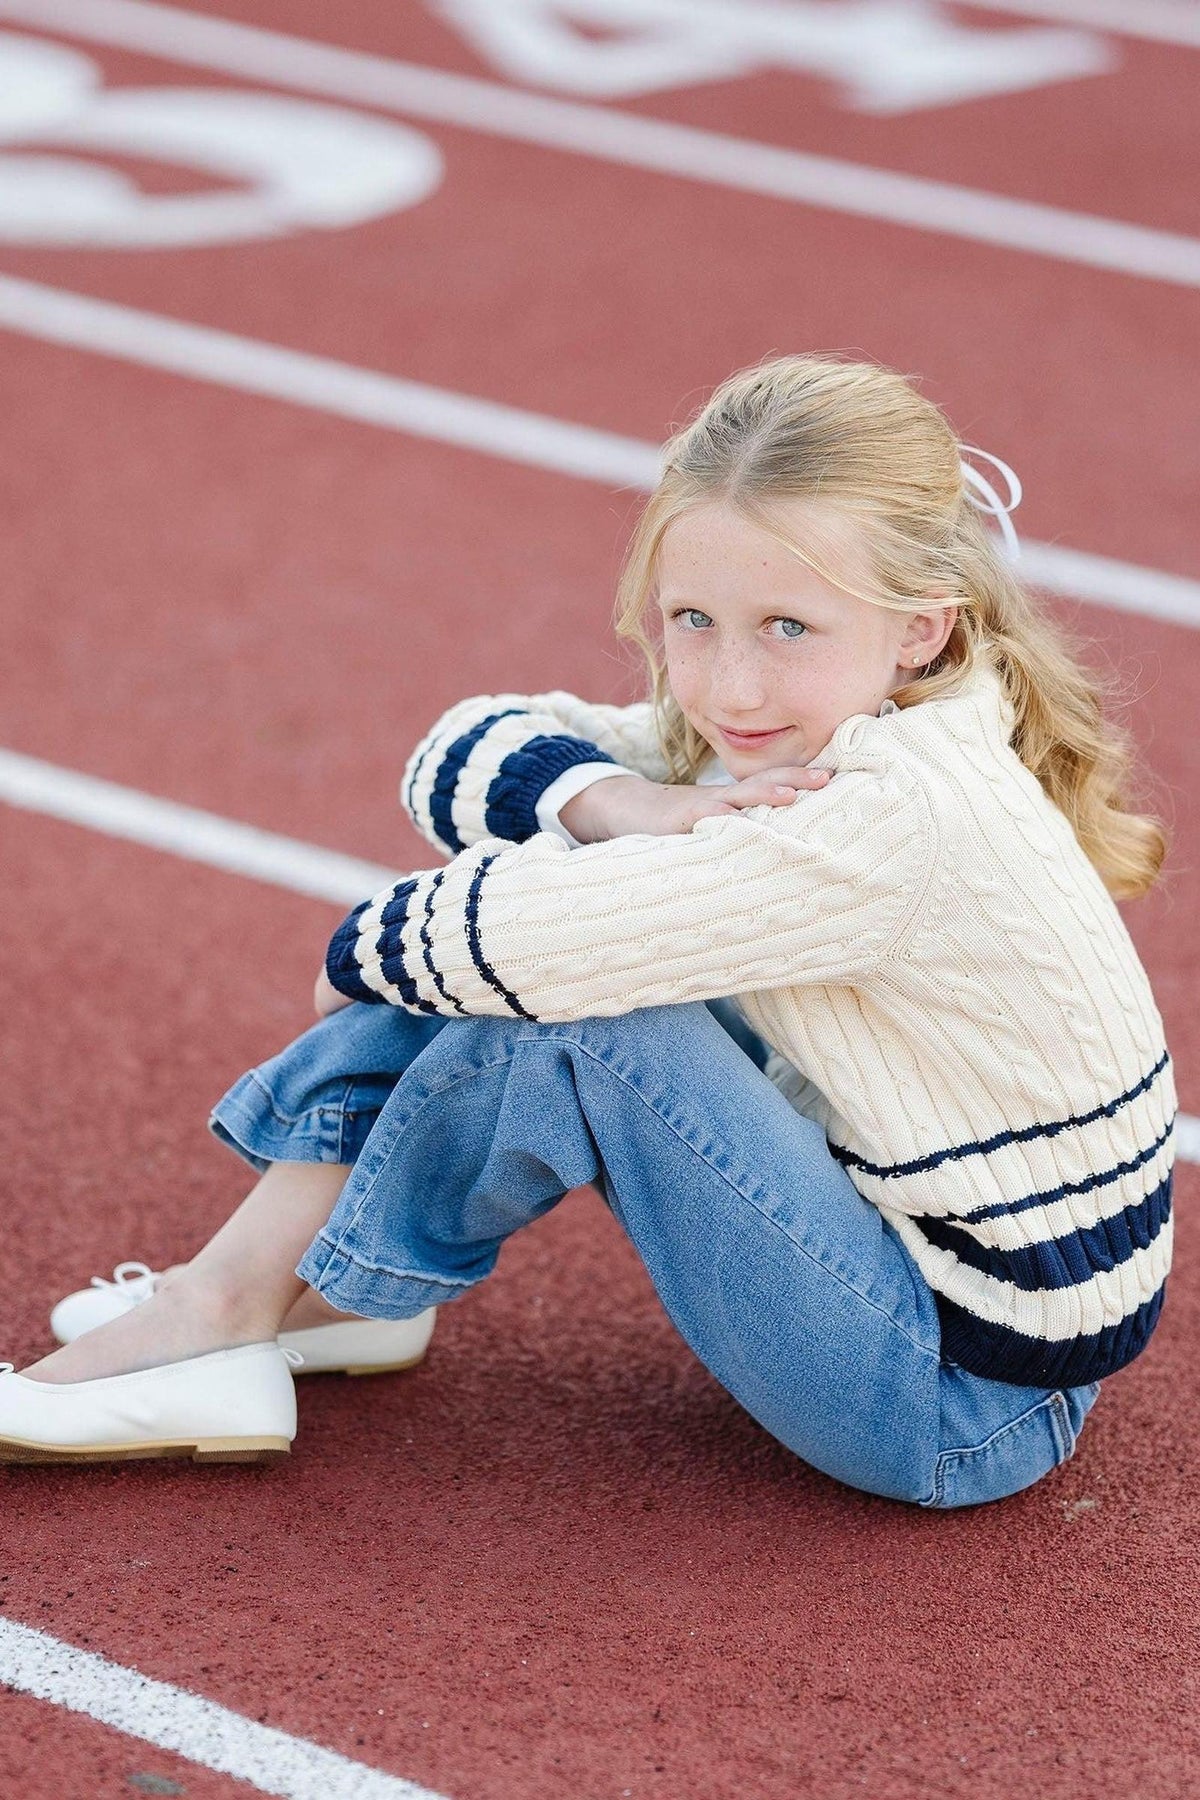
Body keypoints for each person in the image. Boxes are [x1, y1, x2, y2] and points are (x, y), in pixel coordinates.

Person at [0, 354, 1175, 1506]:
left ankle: (220, 1315)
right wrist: (620, 801)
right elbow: (462, 748)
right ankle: (299, 1298)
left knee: (575, 1006)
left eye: (787, 629)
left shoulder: (885, 814)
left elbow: (521, 947)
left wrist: (362, 955)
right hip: (938, 1300)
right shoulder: (832, 729)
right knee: (560, 925)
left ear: (920, 628)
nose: (731, 686)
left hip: (962, 1400)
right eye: (693, 619)